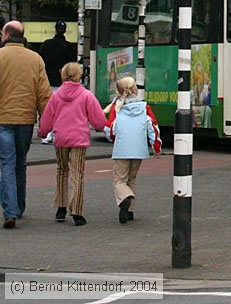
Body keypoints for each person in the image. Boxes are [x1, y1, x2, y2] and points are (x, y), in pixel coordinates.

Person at [37, 62, 106, 226]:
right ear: (79, 75)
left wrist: (42, 131)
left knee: (62, 171)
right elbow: (98, 121)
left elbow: (47, 119)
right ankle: (77, 211)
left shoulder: (56, 95)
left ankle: (61, 206)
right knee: (78, 173)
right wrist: (103, 126)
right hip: (79, 139)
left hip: (61, 138)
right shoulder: (86, 95)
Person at [0, 20, 52, 228]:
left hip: (2, 119)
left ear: (6, 35)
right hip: (25, 120)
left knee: (7, 164)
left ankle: (10, 210)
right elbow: (44, 94)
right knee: (20, 163)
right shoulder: (35, 59)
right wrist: (45, 123)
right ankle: (19, 207)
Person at [104, 76, 161, 223]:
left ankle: (125, 198)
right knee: (132, 178)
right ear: (135, 89)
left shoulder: (117, 108)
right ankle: (130, 212)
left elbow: (110, 129)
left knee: (119, 180)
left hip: (122, 149)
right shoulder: (144, 107)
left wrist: (112, 139)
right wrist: (156, 147)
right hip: (139, 150)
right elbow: (153, 128)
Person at [38, 21, 78, 144]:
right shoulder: (70, 47)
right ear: (65, 30)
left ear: (55, 29)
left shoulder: (46, 44)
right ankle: (58, 133)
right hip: (63, 82)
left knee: (47, 107)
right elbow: (72, 65)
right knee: (61, 109)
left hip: (47, 80)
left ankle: (46, 134)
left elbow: (41, 62)